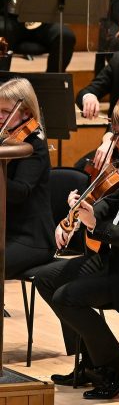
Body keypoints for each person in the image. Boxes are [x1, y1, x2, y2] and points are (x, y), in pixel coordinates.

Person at [34, 99, 119, 400]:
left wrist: (94, 225)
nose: (113, 140)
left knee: (67, 297)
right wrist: (80, 212)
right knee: (46, 278)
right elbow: (105, 205)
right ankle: (91, 363)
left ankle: (116, 366)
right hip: (116, 260)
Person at [1, 77, 53, 277]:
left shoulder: (33, 145)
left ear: (27, 113)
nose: (0, 116)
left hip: (32, 239)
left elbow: (20, 192)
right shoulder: (7, 138)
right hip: (6, 233)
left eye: (6, 112)